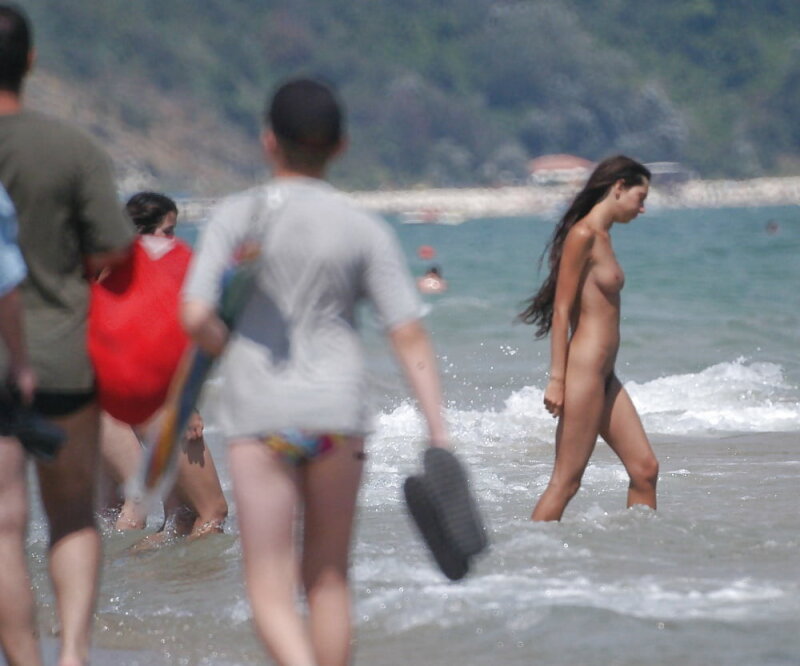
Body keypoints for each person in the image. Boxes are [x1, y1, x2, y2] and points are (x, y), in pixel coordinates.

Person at [181, 78, 449, 666]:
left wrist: (230, 345)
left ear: (268, 141)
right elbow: (406, 331)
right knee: (328, 580)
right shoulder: (363, 227)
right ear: (341, 146)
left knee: (269, 585)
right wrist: (437, 430)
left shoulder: (237, 217)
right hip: (336, 416)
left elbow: (195, 315)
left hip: (263, 417)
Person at [0, 6, 135, 666]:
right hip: (62, 352)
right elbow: (115, 245)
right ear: (30, 61)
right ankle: (74, 655)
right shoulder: (69, 147)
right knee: (74, 513)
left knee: (2, 528)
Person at [519, 155, 659, 522]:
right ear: (619, 187)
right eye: (640, 197)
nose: (642, 208)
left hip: (605, 374)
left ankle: (641, 549)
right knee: (565, 482)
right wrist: (557, 379)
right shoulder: (583, 235)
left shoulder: (604, 237)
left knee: (645, 469)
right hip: (583, 373)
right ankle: (528, 553)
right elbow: (561, 310)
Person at [98, 192, 228, 540]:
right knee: (212, 512)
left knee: (179, 518)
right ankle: (200, 574)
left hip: (118, 401)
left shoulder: (107, 272)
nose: (172, 240)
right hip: (161, 402)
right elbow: (161, 345)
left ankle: (140, 570)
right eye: (168, 231)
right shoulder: (153, 273)